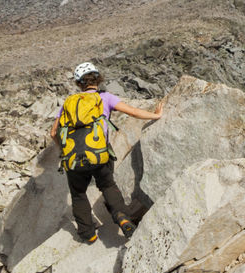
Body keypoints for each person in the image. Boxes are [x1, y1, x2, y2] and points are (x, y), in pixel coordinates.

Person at [51, 62, 165, 243]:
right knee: (108, 185)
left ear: (79, 83)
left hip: (73, 159)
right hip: (100, 154)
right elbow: (133, 112)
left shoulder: (68, 103)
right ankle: (123, 218)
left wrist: (64, 151)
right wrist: (155, 115)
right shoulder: (105, 97)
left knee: (78, 194)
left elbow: (53, 133)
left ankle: (88, 235)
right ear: (98, 79)